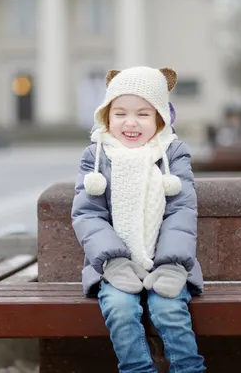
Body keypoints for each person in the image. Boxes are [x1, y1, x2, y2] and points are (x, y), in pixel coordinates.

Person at [71, 66, 206, 373]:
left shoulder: (172, 155)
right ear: (106, 116)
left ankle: (189, 369)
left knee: (169, 308)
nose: (130, 123)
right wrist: (113, 262)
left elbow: (181, 211)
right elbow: (88, 214)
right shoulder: (96, 157)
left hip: (166, 264)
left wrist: (173, 263)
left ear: (160, 118)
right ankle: (137, 369)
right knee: (119, 309)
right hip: (113, 266)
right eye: (120, 113)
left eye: (143, 114)